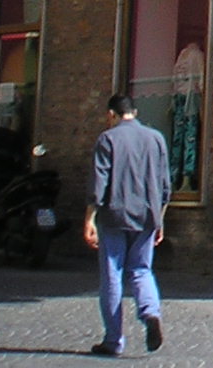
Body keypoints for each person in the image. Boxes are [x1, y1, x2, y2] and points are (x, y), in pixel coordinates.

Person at [83, 93, 170, 357]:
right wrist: (159, 220)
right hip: (146, 216)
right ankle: (150, 313)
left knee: (112, 275)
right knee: (142, 270)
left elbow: (99, 184)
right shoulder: (156, 139)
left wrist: (90, 218)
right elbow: (165, 187)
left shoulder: (108, 139)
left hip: (114, 215)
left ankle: (113, 340)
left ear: (112, 114)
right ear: (135, 111)